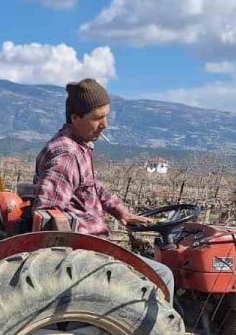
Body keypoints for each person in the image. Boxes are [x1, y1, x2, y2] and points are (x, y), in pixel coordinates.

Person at [32, 78, 175, 297]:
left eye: (106, 116)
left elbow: (92, 187)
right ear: (75, 118)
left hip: (90, 248)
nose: (105, 125)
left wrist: (121, 212)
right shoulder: (67, 155)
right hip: (86, 254)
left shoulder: (79, 148)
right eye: (98, 118)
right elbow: (49, 212)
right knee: (162, 274)